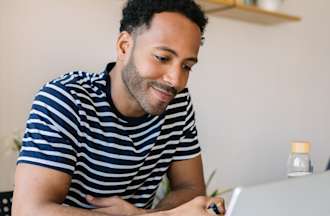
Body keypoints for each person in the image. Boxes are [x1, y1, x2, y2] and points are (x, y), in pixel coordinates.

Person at [12, 0, 225, 215]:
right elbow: (28, 211)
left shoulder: (177, 103)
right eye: (162, 58)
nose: (176, 80)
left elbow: (191, 189)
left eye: (187, 66)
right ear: (124, 46)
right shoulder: (66, 99)